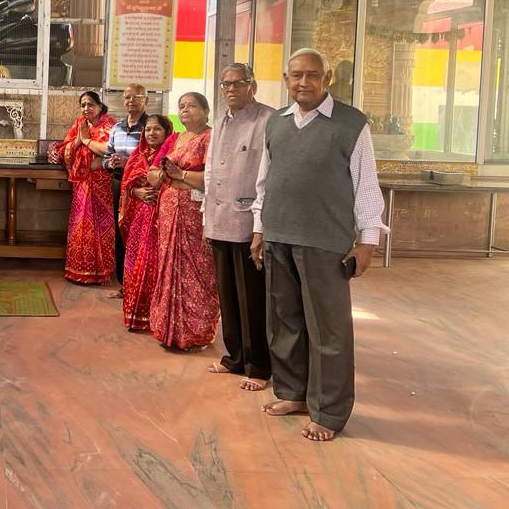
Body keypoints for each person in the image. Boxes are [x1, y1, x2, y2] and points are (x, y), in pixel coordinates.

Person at [251, 48, 385, 442]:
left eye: (312, 75)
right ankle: (293, 393)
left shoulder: (351, 124)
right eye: (296, 75)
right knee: (284, 322)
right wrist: (259, 229)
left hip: (325, 242)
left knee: (329, 329)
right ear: (286, 79)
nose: (303, 82)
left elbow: (366, 185)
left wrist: (368, 241)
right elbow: (264, 181)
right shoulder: (276, 123)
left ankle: (328, 411)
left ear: (327, 79)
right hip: (278, 235)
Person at [203, 63, 274, 392]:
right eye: (225, 84)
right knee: (228, 293)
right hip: (219, 219)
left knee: (252, 297)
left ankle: (258, 365)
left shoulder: (268, 120)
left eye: (237, 83)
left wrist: (260, 228)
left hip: (249, 222)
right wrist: (206, 217)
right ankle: (234, 357)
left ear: (252, 86)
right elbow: (210, 171)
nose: (230, 89)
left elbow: (268, 176)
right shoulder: (221, 120)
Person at [147, 92, 218, 349]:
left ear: (206, 111)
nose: (185, 110)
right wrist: (169, 177)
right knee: (168, 266)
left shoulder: (211, 138)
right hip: (169, 209)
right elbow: (152, 173)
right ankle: (167, 330)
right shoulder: (174, 138)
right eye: (182, 106)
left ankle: (195, 333)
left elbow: (213, 179)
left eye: (192, 106)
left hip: (195, 212)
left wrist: (181, 175)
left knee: (197, 268)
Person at [119, 114, 173, 331]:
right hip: (140, 218)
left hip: (164, 216)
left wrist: (162, 193)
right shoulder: (137, 156)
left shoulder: (173, 155)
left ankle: (158, 317)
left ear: (167, 132)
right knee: (137, 263)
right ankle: (137, 313)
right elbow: (126, 187)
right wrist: (137, 192)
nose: (151, 133)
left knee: (156, 264)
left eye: (157, 129)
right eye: (148, 129)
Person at [61, 91, 118, 284]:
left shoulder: (109, 124)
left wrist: (87, 142)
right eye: (83, 105)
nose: (87, 108)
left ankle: (102, 273)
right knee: (81, 226)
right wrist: (79, 140)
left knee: (101, 227)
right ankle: (78, 271)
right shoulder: (79, 124)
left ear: (100, 106)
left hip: (102, 184)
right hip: (82, 184)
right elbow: (65, 151)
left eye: (91, 104)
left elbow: (110, 150)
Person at [102, 84, 150, 297]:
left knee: (139, 234)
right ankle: (125, 284)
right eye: (127, 97)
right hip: (118, 184)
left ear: (146, 100)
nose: (131, 101)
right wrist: (110, 163)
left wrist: (128, 162)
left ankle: (141, 284)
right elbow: (106, 158)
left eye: (136, 97)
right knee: (120, 232)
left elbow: (154, 159)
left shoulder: (151, 127)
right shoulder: (117, 128)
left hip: (141, 187)